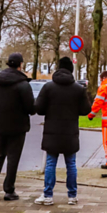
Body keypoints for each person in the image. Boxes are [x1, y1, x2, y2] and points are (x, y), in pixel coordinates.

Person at [33, 56, 90, 205]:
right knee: (71, 163)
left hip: (52, 132)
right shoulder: (79, 89)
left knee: (51, 163)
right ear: (71, 70)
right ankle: (72, 195)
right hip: (70, 132)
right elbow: (85, 110)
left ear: (58, 69)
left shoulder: (48, 87)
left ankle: (48, 195)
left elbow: (38, 109)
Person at [0, 53, 36, 201]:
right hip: (17, 127)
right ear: (20, 65)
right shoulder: (23, 84)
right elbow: (30, 108)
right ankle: (9, 190)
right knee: (13, 158)